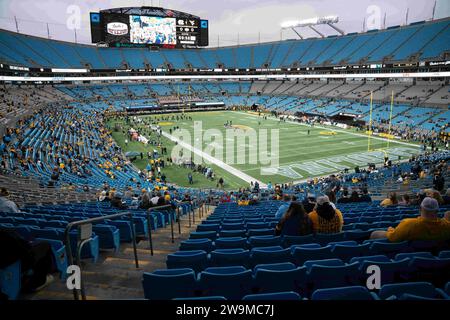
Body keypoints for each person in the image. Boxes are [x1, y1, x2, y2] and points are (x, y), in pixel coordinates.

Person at [370, 197, 450, 242]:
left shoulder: (408, 224)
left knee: (374, 234)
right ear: (437, 211)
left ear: (420, 209)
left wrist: (390, 229)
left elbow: (393, 238)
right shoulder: (447, 226)